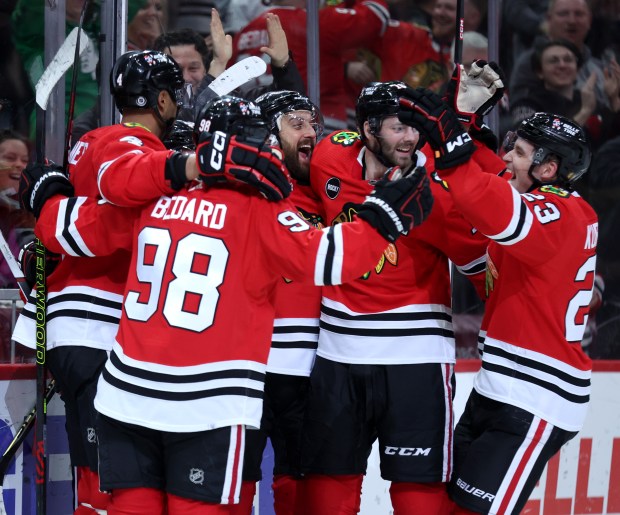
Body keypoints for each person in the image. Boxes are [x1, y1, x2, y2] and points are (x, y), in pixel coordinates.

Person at [23, 94, 433, 513]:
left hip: (128, 396)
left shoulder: (153, 196)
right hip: (208, 407)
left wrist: (49, 195)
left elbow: (68, 227)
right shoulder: (259, 211)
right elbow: (333, 258)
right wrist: (386, 217)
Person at [294, 79, 506, 515]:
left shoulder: (436, 191)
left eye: (414, 127)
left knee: (419, 494)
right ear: (368, 131)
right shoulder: (330, 156)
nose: (410, 137)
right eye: (397, 128)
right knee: (325, 486)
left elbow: (487, 272)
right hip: (338, 353)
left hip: (417, 360)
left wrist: (465, 124)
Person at [397, 75, 597, 515]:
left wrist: (449, 136)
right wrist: (465, 121)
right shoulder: (549, 201)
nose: (507, 157)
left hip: (534, 399)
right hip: (500, 389)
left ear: (548, 170)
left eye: (520, 153)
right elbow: (495, 177)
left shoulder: (563, 213)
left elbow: (488, 196)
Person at [11, 49, 199, 515]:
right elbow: (115, 206)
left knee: (102, 478)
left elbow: (67, 227)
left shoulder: (92, 141)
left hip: (80, 325)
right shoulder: (131, 145)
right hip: (100, 327)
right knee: (111, 483)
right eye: (174, 96)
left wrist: (52, 203)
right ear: (160, 99)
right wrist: (179, 169)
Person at [236, 90, 326, 514]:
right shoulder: (240, 193)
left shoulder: (327, 195)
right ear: (269, 137)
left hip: (309, 371)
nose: (312, 133)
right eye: (298, 123)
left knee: (302, 482)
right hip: (246, 368)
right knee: (236, 482)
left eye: (314, 124)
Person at [230, 0, 390, 130]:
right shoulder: (314, 22)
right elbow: (376, 18)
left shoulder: (244, 33)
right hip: (317, 121)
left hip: (261, 125)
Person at [509, 0, 610, 109]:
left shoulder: (601, 68)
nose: (572, 21)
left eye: (579, 14)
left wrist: (614, 101)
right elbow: (521, 118)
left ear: (590, 20)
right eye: (563, 14)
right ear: (548, 19)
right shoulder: (529, 63)